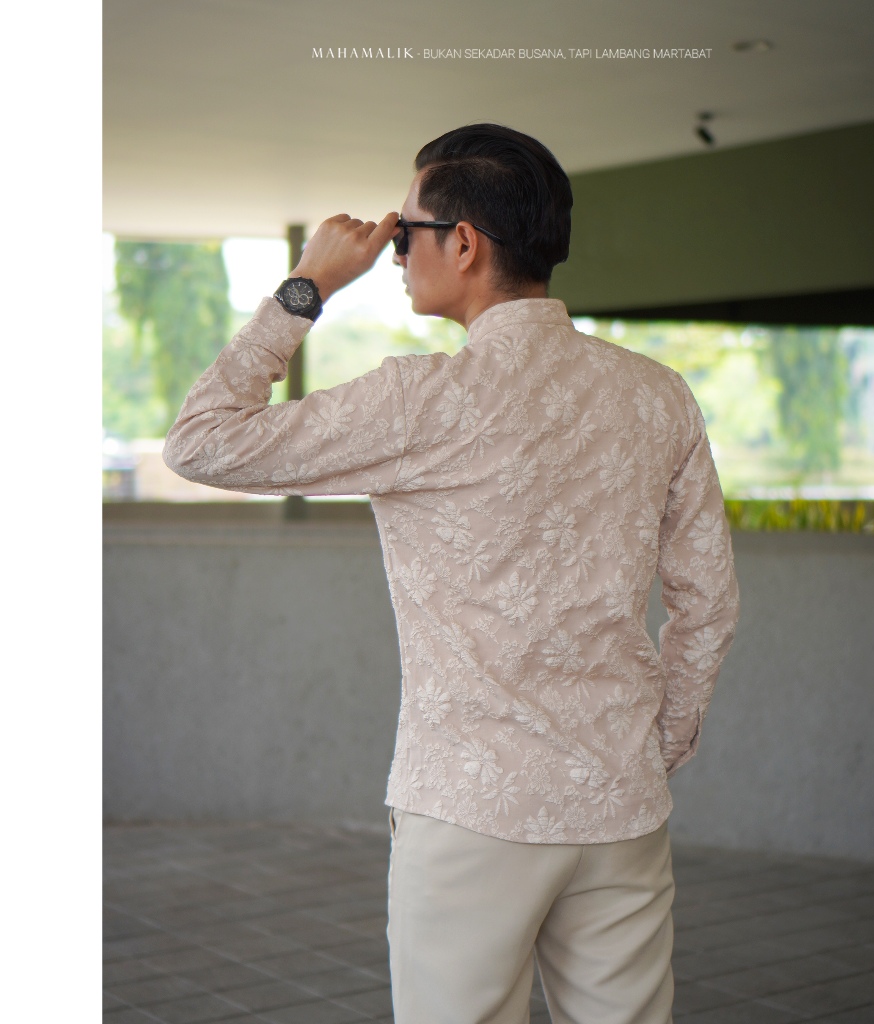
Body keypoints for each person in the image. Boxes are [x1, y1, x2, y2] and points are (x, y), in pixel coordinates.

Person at [163, 123, 740, 1024]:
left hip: (470, 814)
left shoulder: (420, 403)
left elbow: (200, 442)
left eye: (404, 234)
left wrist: (308, 284)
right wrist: (652, 746)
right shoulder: (657, 394)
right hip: (621, 805)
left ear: (463, 243)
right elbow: (708, 600)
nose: (394, 254)